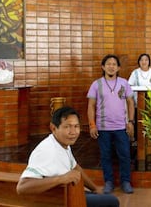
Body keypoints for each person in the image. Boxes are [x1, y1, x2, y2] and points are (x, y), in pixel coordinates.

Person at [16, 106, 119, 207]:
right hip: (58, 201)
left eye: (76, 126)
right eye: (67, 127)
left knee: (102, 197)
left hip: (69, 195)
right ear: (53, 128)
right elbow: (22, 187)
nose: (73, 132)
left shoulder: (63, 143)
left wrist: (95, 189)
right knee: (112, 201)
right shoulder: (46, 150)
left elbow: (75, 167)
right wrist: (61, 179)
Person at [87, 54, 135, 194]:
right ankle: (109, 182)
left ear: (118, 67)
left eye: (114, 64)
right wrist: (92, 125)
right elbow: (91, 106)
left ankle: (125, 182)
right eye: (108, 64)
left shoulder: (124, 83)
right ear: (103, 66)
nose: (111, 66)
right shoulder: (96, 84)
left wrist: (130, 122)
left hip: (121, 127)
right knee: (105, 156)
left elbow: (131, 102)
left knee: (125, 155)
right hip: (103, 128)